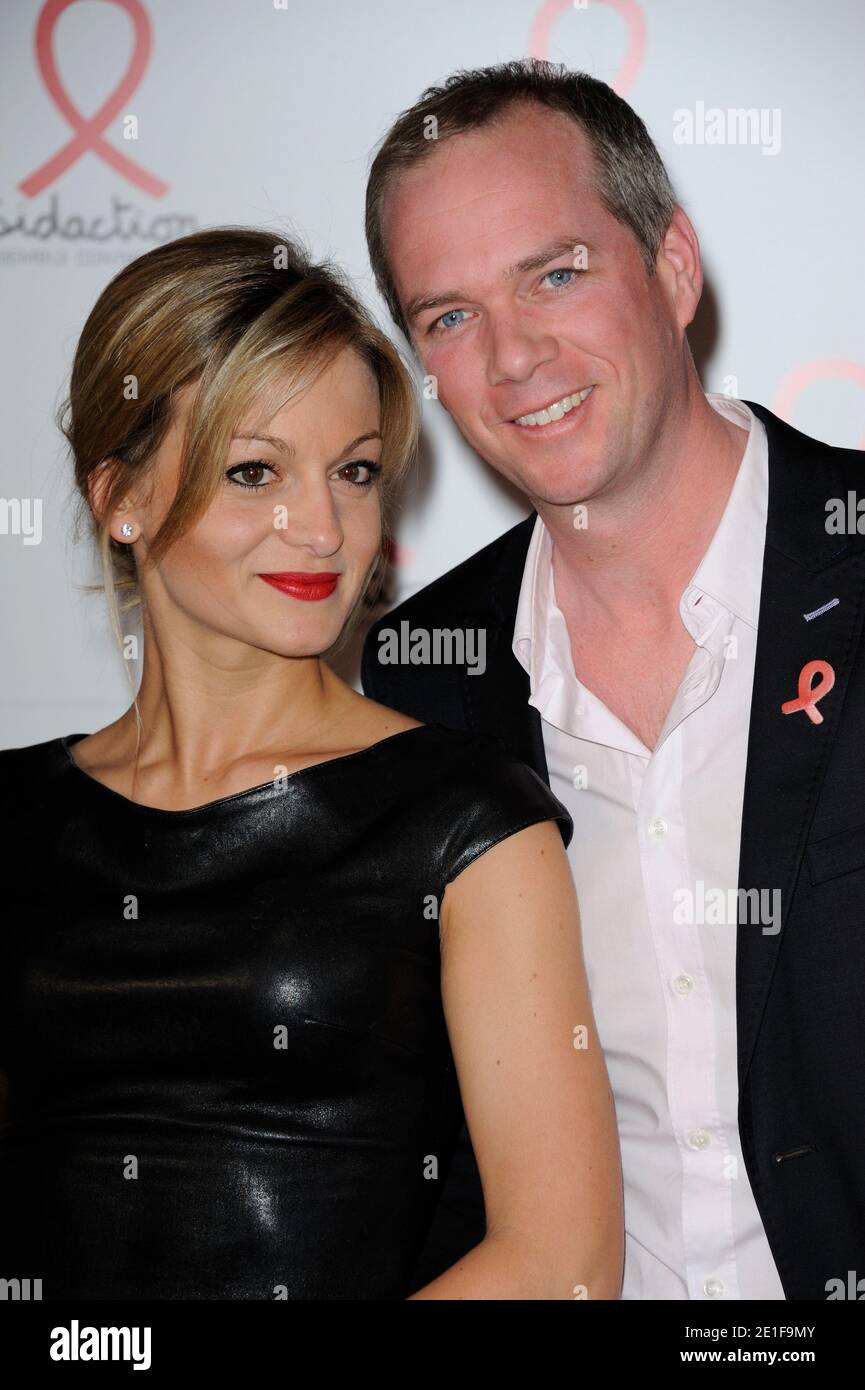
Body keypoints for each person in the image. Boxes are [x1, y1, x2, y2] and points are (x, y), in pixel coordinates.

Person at [0, 226, 624, 1301]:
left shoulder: (464, 820)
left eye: (354, 471)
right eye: (255, 471)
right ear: (120, 497)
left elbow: (559, 1263)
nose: (324, 528)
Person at [361, 58, 865, 1302]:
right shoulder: (410, 685)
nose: (515, 356)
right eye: (450, 316)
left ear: (674, 269)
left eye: (556, 273)